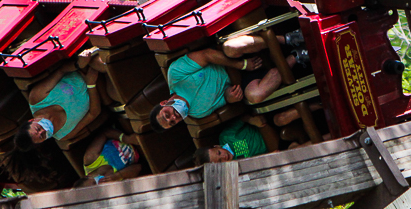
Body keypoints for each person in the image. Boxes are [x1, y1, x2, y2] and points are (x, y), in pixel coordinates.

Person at [150, 33, 303, 132]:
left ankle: (288, 39)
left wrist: (241, 64)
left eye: (166, 115)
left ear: (164, 103)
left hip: (229, 59)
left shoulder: (175, 75)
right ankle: (298, 56)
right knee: (255, 95)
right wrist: (231, 96)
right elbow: (225, 98)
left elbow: (207, 55)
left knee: (231, 48)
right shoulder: (198, 113)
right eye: (172, 122)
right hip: (240, 79)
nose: (173, 117)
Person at [14, 60, 100, 152]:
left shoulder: (37, 97)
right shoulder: (64, 134)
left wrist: (78, 64)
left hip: (82, 68)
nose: (43, 131)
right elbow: (93, 113)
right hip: (98, 88)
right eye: (42, 136)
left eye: (38, 128)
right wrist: (91, 84)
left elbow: (61, 70)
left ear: (31, 121)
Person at [73, 128, 142, 187]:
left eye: (94, 183)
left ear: (88, 177)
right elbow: (139, 167)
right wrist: (117, 176)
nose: (99, 183)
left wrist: (126, 138)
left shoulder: (90, 158)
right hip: (142, 151)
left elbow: (104, 133)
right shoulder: (113, 185)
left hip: (128, 133)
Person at [193, 116, 268, 164]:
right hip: (271, 147)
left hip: (263, 126)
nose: (224, 157)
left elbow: (243, 118)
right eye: (220, 161)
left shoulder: (226, 136)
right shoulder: (237, 165)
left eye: (219, 153)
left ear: (217, 146)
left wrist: (251, 119)